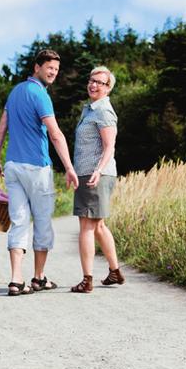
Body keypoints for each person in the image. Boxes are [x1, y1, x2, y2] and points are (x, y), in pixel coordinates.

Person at [0, 48, 78, 296]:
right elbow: (56, 134)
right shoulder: (40, 95)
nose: (53, 73)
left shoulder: (15, 92)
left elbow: (1, 130)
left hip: (13, 167)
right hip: (37, 167)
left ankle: (16, 280)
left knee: (18, 221)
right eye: (50, 68)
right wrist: (69, 168)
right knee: (41, 221)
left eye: (56, 70)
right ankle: (38, 278)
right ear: (36, 67)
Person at [69, 66, 125, 293]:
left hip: (95, 174)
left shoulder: (103, 111)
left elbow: (110, 145)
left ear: (108, 88)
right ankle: (115, 272)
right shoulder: (90, 110)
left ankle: (87, 279)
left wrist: (98, 170)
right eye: (92, 80)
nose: (93, 85)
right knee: (98, 225)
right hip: (87, 172)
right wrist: (72, 169)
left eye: (100, 82)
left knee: (86, 225)